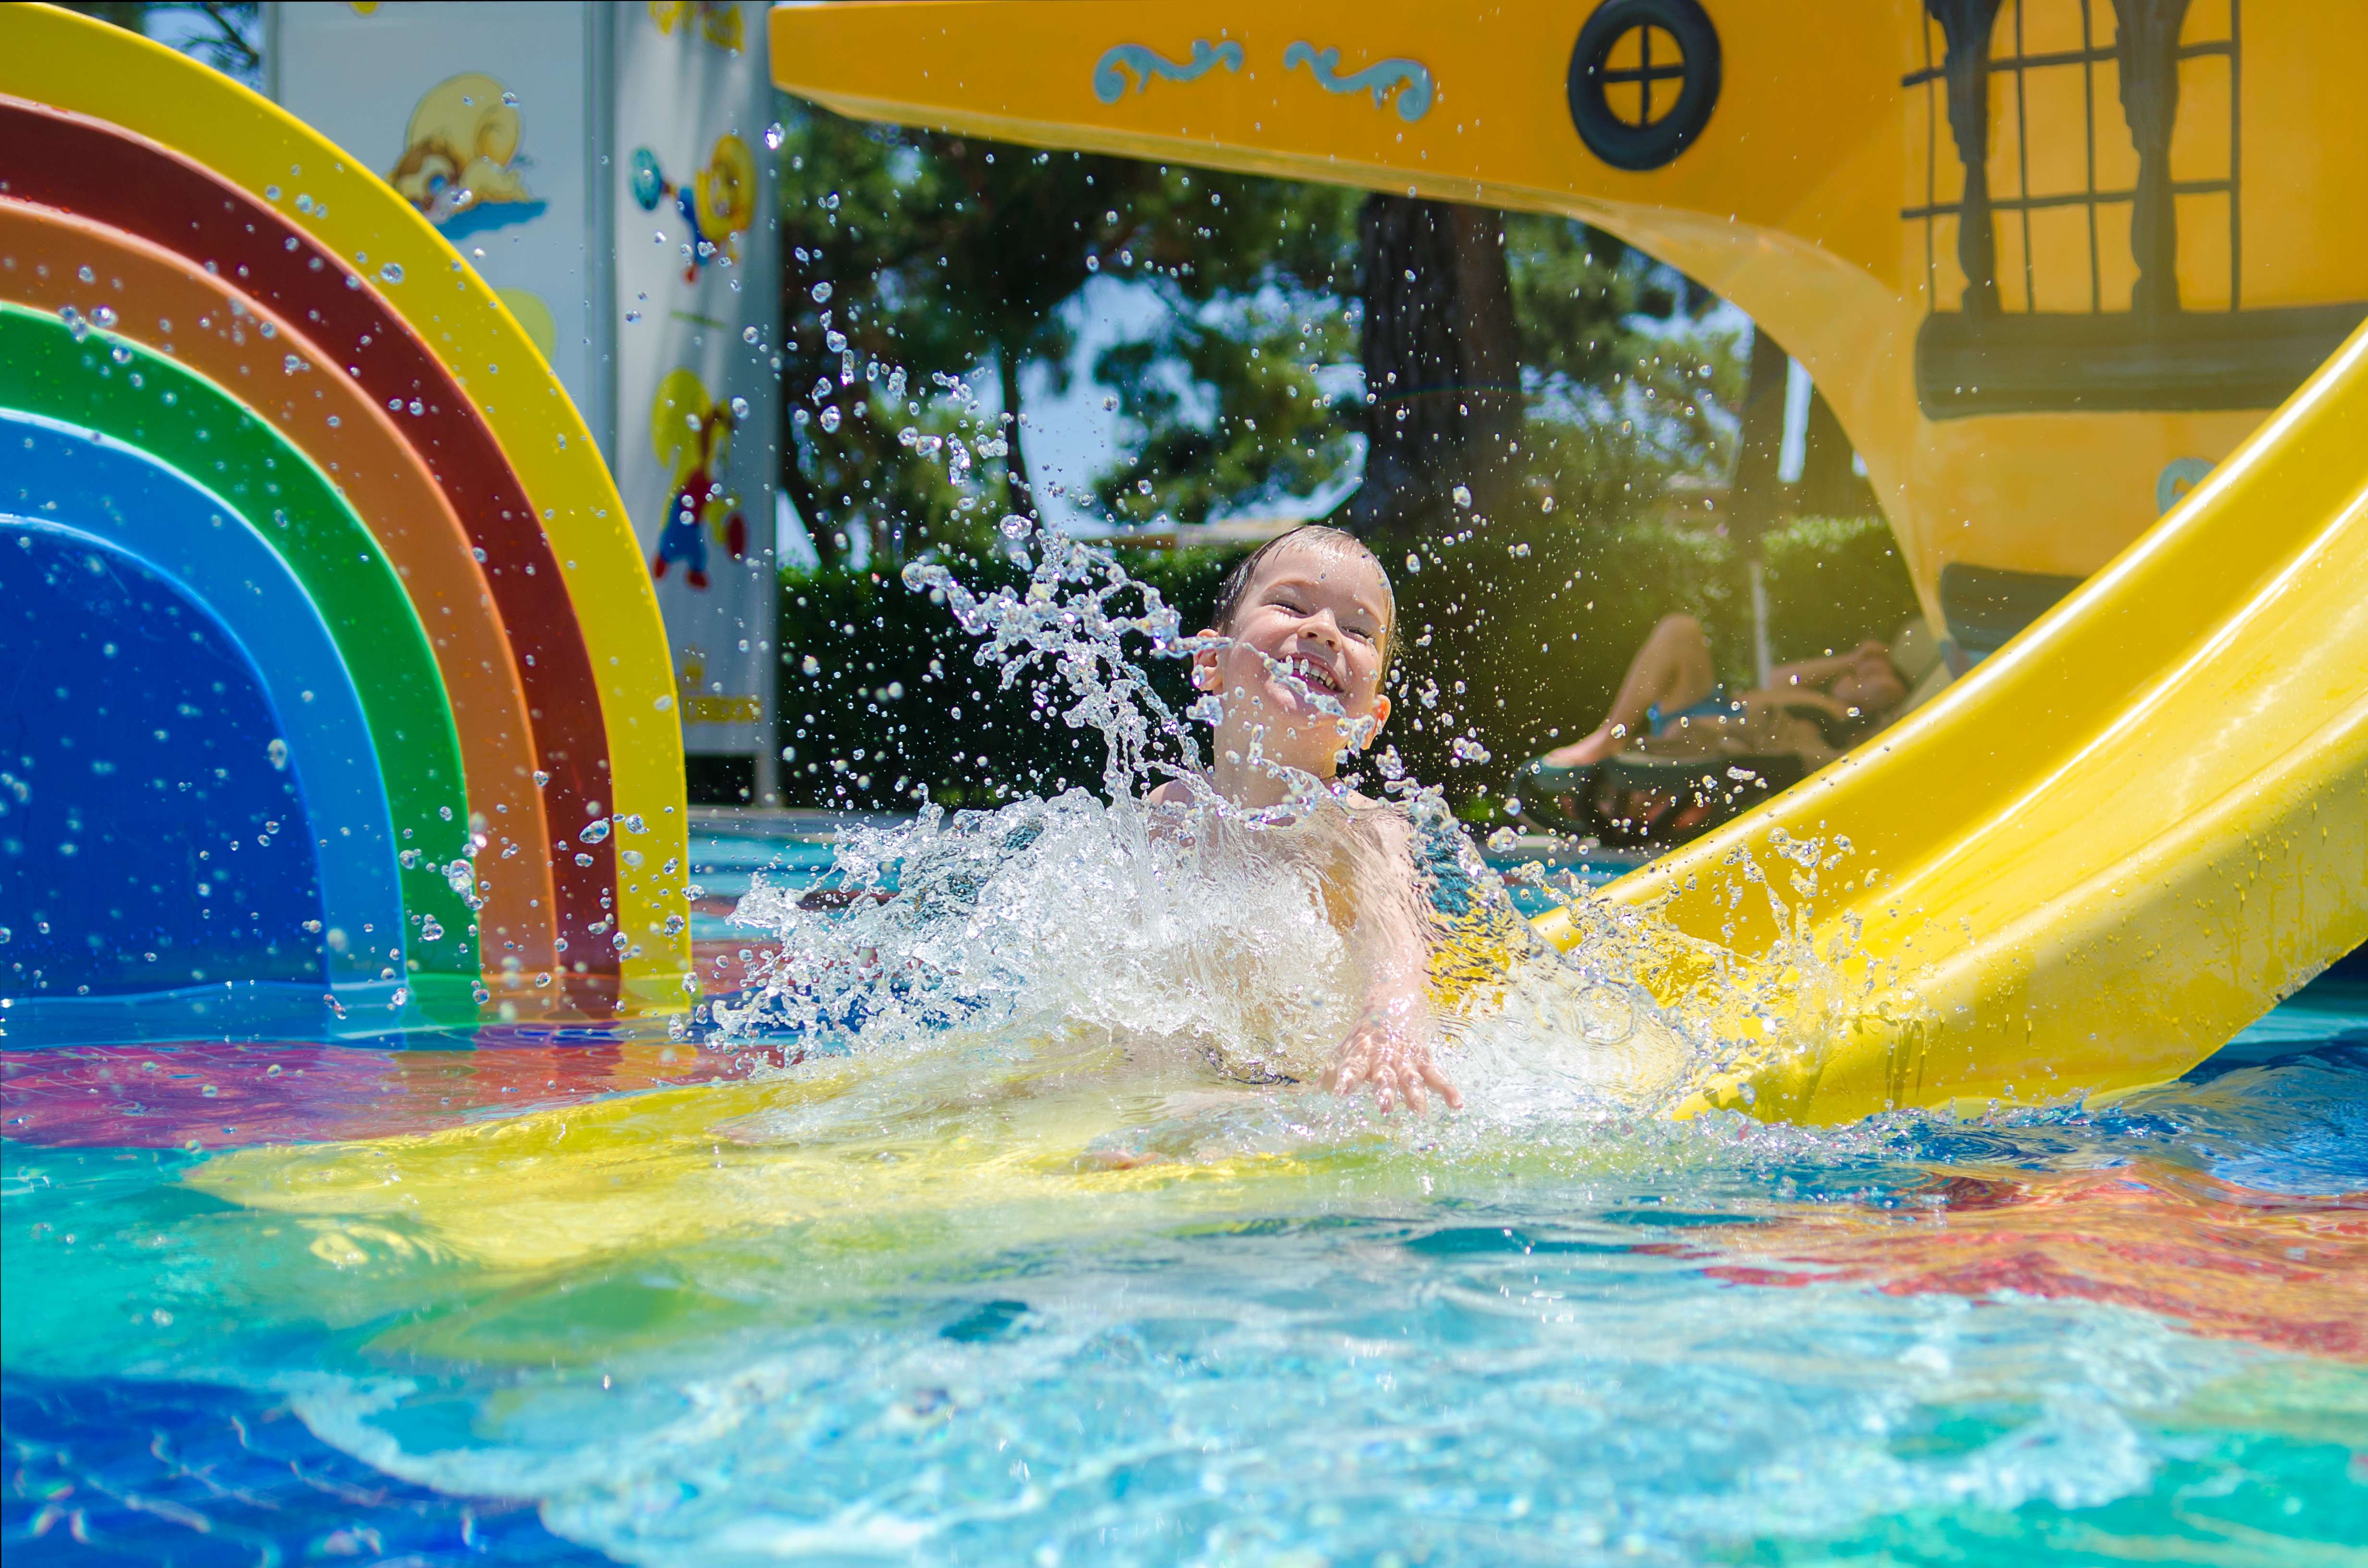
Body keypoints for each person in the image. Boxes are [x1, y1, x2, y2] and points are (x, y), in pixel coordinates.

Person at [1148, 525, 1468, 1117]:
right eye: (1290, 605)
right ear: (1211, 662)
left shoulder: (1361, 831)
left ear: (1370, 722)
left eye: (1358, 631)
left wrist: (1386, 1025)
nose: (1323, 630)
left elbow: (1398, 956)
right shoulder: (1165, 811)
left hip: (1310, 1082)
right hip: (1181, 1064)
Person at [1539, 613, 1909, 769]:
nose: (1863, 670)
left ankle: (1610, 740)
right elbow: (1779, 675)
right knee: (1680, 628)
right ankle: (1611, 733)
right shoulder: (1818, 696)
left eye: (1871, 672)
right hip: (1710, 708)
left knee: (1680, 633)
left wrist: (1877, 667)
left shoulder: (1845, 718)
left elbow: (1888, 690)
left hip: (1712, 732)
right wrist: (1850, 660)